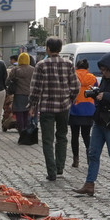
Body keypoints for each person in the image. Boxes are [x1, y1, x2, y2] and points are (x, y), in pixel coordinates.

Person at [29, 37, 78, 181]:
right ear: (60, 49)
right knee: (62, 137)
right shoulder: (68, 64)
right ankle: (59, 168)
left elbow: (35, 88)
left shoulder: (41, 65)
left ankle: (51, 172)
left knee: (47, 140)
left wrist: (32, 105)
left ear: (48, 49)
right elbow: (76, 86)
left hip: (46, 108)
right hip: (64, 107)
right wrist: (70, 99)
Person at [74, 54, 110, 197]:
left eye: (106, 70)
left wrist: (105, 96)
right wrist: (97, 94)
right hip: (99, 120)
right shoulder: (106, 80)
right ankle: (89, 184)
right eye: (102, 70)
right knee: (93, 153)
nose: (103, 73)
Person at [69, 59, 98, 168]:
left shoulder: (73, 76)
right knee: (86, 135)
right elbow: (97, 91)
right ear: (87, 68)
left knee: (74, 136)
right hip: (89, 109)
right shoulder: (92, 77)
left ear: (76, 67)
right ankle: (90, 158)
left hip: (75, 108)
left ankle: (75, 160)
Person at [6, 52, 35, 143]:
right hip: (30, 95)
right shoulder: (33, 69)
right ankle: (26, 133)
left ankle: (21, 132)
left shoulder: (15, 70)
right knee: (27, 114)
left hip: (18, 95)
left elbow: (7, 82)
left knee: (19, 115)